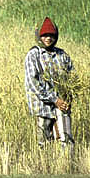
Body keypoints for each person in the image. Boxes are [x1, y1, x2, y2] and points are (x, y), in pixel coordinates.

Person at [23, 17, 75, 151]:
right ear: (39, 36)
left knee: (66, 139)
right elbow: (33, 83)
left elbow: (72, 77)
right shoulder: (33, 55)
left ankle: (67, 168)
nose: (48, 38)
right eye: (45, 35)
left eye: (51, 35)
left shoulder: (62, 54)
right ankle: (46, 168)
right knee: (44, 144)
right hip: (42, 105)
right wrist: (54, 99)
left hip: (62, 103)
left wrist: (67, 98)